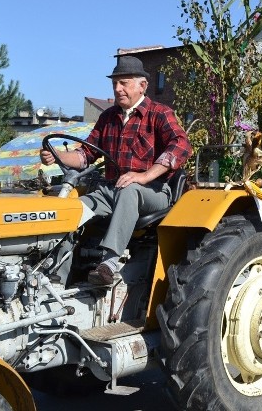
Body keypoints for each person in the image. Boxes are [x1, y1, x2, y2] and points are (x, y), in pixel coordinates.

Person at [40, 56, 193, 285]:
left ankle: (108, 263)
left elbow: (181, 145)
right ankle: (55, 276)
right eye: (115, 84)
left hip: (154, 192)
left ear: (142, 85)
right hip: (110, 191)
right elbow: (86, 155)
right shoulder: (108, 118)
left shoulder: (159, 113)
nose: (118, 88)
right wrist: (58, 156)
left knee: (130, 188)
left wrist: (145, 176)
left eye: (124, 83)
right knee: (72, 208)